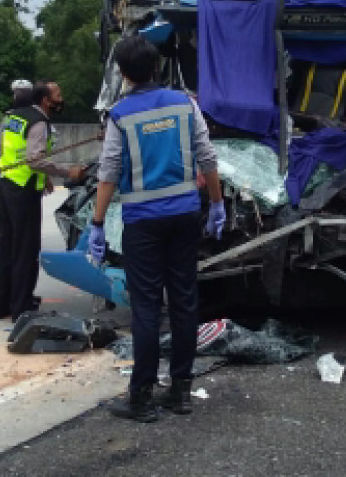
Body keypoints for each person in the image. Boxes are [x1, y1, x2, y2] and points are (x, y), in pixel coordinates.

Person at [87, 35, 224, 422]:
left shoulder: (120, 114)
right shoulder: (185, 104)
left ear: (123, 73)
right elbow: (207, 155)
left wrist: (97, 223)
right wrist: (216, 203)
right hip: (184, 217)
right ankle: (180, 392)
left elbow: (109, 173)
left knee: (146, 307)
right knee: (183, 302)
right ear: (156, 68)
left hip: (143, 224)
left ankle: (142, 398)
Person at [0, 79, 84, 322]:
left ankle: (1, 304)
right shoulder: (39, 122)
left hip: (6, 184)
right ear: (45, 101)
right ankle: (21, 308)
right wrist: (66, 171)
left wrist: (44, 177)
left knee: (7, 246)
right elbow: (33, 159)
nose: (61, 99)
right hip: (24, 191)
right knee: (25, 249)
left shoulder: (13, 116)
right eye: (58, 95)